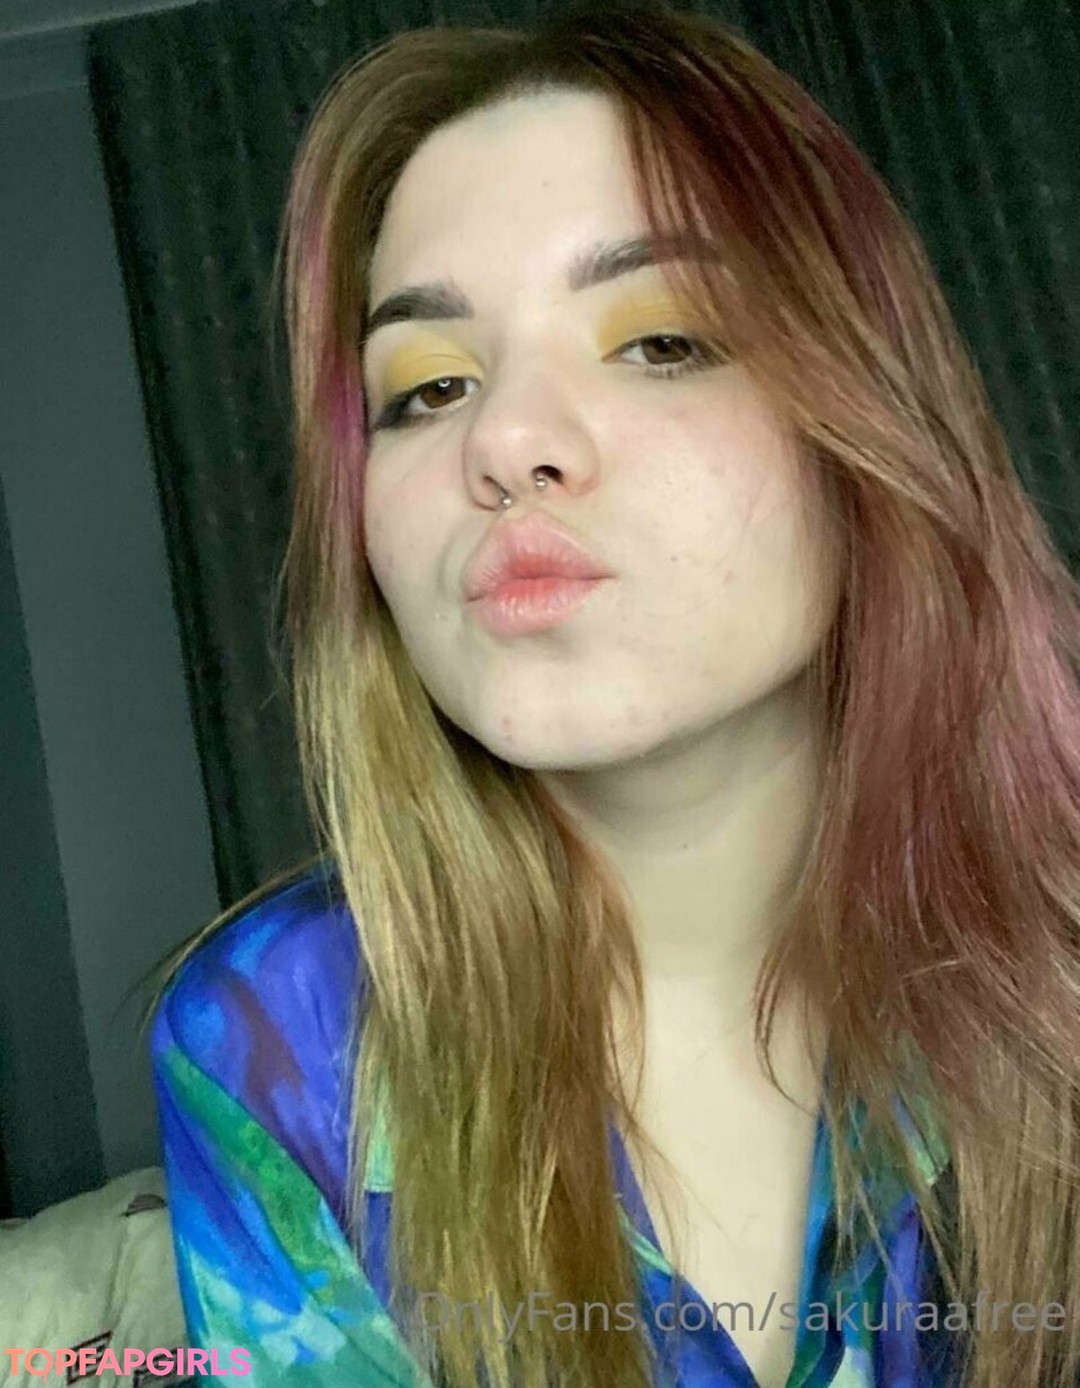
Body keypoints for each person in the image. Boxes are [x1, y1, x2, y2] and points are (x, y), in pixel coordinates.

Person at [147, 2, 1080, 1385]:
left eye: (662, 342)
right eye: (429, 386)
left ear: (873, 426)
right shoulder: (272, 1043)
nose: (504, 439)